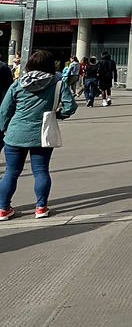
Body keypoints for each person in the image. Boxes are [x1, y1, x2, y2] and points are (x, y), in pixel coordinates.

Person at [0, 48, 77, 220]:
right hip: (42, 134)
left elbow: (4, 110)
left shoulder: (18, 83)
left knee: (11, 172)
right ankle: (41, 208)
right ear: (51, 65)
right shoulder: (58, 83)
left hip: (15, 134)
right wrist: (57, 115)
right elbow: (70, 106)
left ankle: (3, 209)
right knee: (41, 171)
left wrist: (4, 128)